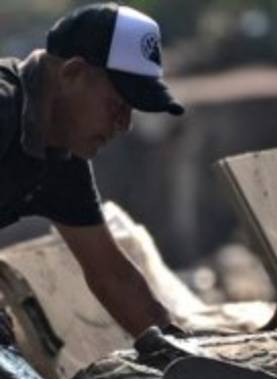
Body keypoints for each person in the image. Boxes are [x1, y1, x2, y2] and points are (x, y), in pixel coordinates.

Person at [1, 4, 183, 336]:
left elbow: (112, 276)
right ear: (72, 74)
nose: (124, 125)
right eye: (117, 105)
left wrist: (180, 347)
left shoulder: (60, 158)